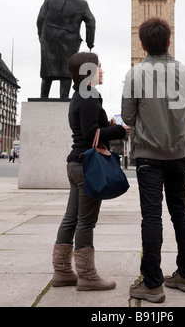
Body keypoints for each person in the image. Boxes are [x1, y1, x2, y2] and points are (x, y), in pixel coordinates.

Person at [121, 17, 185, 303]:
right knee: (180, 212)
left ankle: (153, 284)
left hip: (148, 157)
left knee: (152, 217)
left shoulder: (134, 75)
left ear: (142, 45)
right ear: (169, 42)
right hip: (180, 156)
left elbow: (129, 118)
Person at [51, 51, 130, 291]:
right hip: (86, 164)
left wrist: (107, 126)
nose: (102, 70)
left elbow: (90, 129)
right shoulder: (88, 96)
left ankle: (62, 271)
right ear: (89, 70)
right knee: (86, 221)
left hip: (76, 163)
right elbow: (89, 135)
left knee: (72, 218)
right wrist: (119, 131)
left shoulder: (80, 94)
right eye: (99, 66)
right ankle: (87, 276)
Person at [37, 0, 96, 99]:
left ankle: (43, 97)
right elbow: (91, 21)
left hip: (48, 36)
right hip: (70, 38)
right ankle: (64, 97)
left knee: (47, 68)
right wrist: (90, 41)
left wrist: (41, 36)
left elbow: (40, 18)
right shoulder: (81, 2)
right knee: (66, 69)